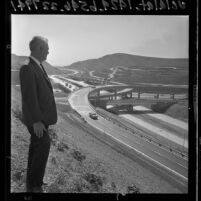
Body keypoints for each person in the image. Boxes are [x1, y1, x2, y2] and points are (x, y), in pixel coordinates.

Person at [19, 36, 57, 193]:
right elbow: (29, 97)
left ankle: (32, 181)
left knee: (36, 145)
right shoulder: (28, 67)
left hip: (42, 118)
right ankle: (35, 185)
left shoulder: (37, 65)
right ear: (40, 48)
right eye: (47, 48)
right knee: (43, 144)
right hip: (37, 120)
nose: (49, 51)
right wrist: (36, 121)